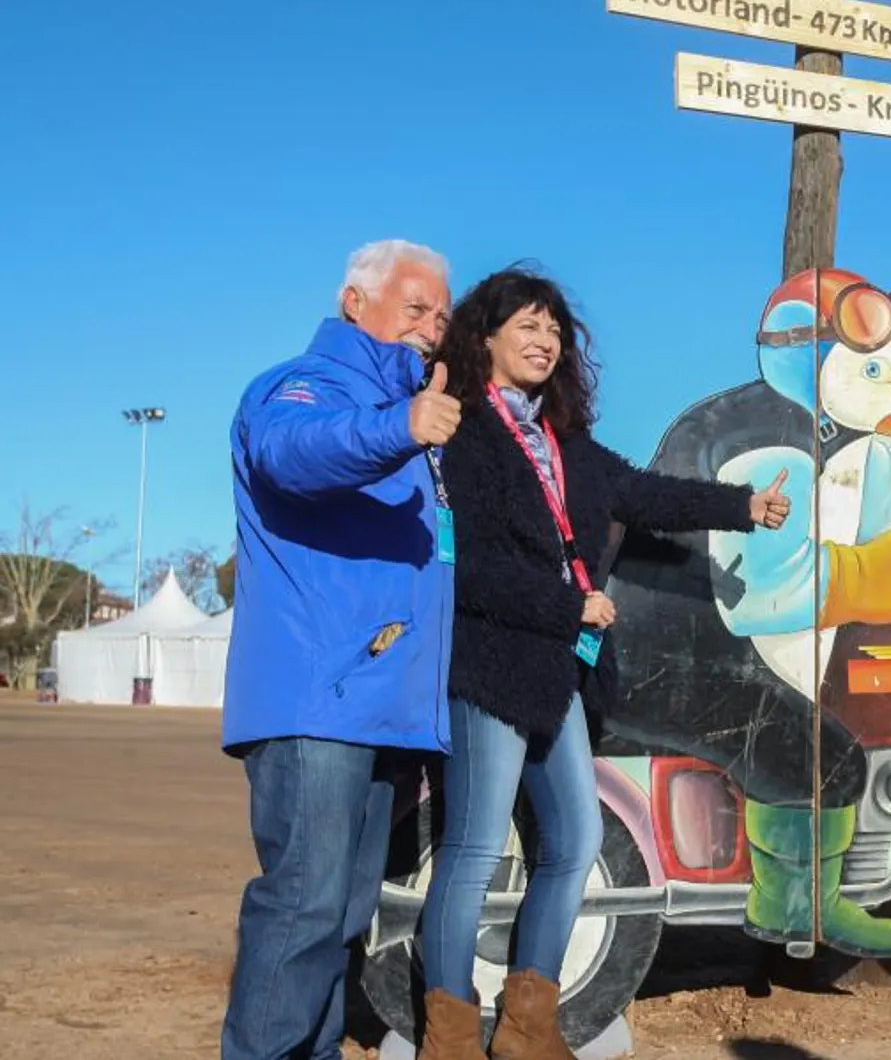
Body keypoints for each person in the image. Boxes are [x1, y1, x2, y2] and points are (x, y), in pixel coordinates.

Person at [413, 267, 790, 1060]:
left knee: (576, 841)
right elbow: (467, 567)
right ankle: (447, 1033)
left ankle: (527, 1026)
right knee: (475, 848)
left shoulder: (564, 445)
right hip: (490, 668)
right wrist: (568, 606)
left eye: (554, 330)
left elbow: (647, 494)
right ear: (483, 337)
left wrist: (743, 507)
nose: (545, 340)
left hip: (559, 678)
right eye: (527, 325)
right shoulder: (466, 431)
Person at [220, 239, 460, 1060]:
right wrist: (400, 423)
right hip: (315, 699)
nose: (432, 324)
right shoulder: (305, 385)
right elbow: (293, 454)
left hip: (379, 708)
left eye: (441, 312)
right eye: (415, 304)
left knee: (343, 917)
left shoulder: (415, 415)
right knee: (303, 906)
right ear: (355, 302)